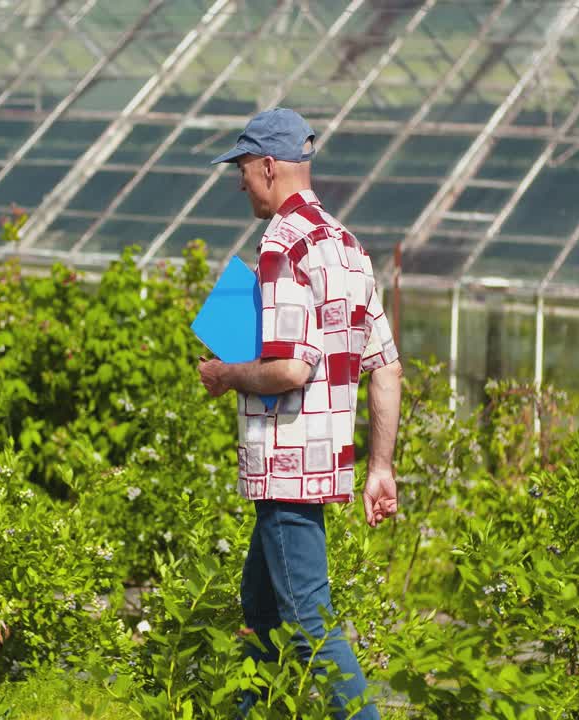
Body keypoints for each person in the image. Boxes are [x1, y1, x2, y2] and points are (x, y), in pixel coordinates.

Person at [196, 107, 403, 719]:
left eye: (242, 170)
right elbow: (385, 366)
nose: (239, 183)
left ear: (267, 166)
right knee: (260, 611)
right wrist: (380, 468)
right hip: (326, 463)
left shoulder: (282, 246)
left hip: (286, 465)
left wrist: (225, 374)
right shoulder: (348, 247)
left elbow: (291, 368)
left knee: (310, 618)